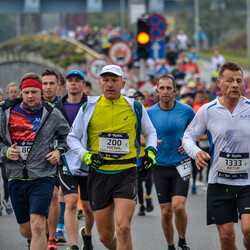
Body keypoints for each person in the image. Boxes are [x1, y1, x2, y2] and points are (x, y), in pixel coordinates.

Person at [64, 65, 157, 250]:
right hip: (99, 174)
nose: (110, 84)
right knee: (106, 237)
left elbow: (150, 131)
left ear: (122, 83)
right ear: (100, 83)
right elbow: (72, 137)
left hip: (126, 173)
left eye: (114, 80)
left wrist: (151, 151)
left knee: (123, 228)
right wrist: (87, 156)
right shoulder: (89, 107)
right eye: (106, 80)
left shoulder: (135, 107)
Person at [182, 62, 250, 250]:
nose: (235, 85)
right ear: (219, 83)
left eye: (239, 81)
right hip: (219, 182)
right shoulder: (208, 110)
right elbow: (188, 136)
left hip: (247, 183)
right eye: (230, 80)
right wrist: (196, 152)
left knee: (249, 229)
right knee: (226, 237)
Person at [0, 72, 69, 250]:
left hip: (43, 176)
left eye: (34, 92)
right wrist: (6, 151)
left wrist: (59, 151)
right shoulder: (6, 112)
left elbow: (68, 137)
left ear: (41, 92)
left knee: (38, 224)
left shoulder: (52, 113)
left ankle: (40, 240)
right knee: (26, 229)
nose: (30, 96)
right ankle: (32, 241)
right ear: (21, 93)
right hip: (16, 176)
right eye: (27, 92)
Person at [147, 74, 195, 250]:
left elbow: (197, 130)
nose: (165, 92)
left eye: (169, 88)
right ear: (157, 91)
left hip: (181, 164)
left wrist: (189, 142)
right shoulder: (149, 113)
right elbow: (139, 137)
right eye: (162, 88)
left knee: (179, 207)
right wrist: (149, 143)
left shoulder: (187, 110)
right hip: (159, 167)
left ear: (175, 91)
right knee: (166, 212)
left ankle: (182, 241)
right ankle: (171, 246)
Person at [55, 69, 94, 250]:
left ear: (83, 85)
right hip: (66, 160)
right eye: (70, 80)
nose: (73, 83)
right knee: (70, 201)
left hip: (87, 160)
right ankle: (74, 245)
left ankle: (87, 236)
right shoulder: (57, 107)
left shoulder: (93, 105)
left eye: (78, 80)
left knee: (87, 206)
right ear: (65, 85)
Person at [41, 68, 62, 250]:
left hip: (58, 158)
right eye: (45, 84)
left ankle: (52, 238)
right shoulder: (34, 105)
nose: (48, 87)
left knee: (54, 195)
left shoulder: (64, 106)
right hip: (35, 160)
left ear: (58, 86)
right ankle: (42, 232)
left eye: (51, 84)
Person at [133, 91, 155, 216]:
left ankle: (148, 197)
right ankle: (141, 206)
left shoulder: (148, 112)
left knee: (148, 179)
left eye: (142, 98)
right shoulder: (131, 111)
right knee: (138, 182)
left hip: (147, 153)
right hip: (136, 155)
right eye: (137, 98)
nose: (140, 100)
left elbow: (152, 131)